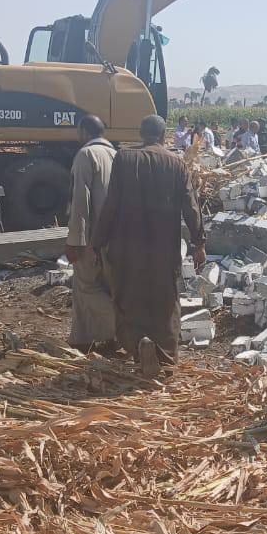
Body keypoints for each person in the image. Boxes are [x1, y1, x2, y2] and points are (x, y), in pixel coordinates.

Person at [93, 115, 206, 378]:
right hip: (163, 249)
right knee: (164, 301)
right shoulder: (177, 164)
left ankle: (137, 347)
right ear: (164, 135)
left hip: (126, 246)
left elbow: (111, 204)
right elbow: (191, 207)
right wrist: (199, 242)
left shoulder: (124, 159)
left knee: (129, 297)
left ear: (141, 134)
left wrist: (98, 242)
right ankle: (165, 357)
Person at [64, 114, 116, 350]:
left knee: (86, 287)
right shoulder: (115, 155)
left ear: (84, 132)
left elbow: (80, 203)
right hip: (114, 237)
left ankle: (125, 325)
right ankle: (84, 339)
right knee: (107, 287)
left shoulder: (86, 155)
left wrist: (76, 241)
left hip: (92, 238)